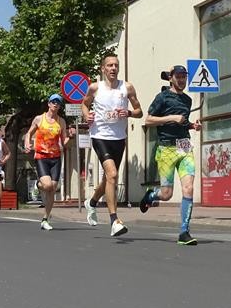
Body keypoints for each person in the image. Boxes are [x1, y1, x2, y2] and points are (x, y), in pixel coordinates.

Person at [139, 64, 203, 245]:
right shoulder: (162, 97)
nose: (182, 80)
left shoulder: (187, 100)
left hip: (184, 146)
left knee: (188, 188)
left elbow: (183, 122)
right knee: (166, 194)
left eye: (184, 77)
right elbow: (148, 120)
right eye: (178, 77)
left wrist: (192, 126)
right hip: (166, 148)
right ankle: (151, 195)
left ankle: (184, 232)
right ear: (171, 78)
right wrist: (172, 117)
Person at [81, 53, 143, 237]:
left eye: (116, 65)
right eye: (109, 65)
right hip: (100, 136)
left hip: (119, 138)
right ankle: (114, 220)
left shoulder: (127, 87)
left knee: (109, 179)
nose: (113, 68)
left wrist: (129, 113)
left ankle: (91, 202)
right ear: (103, 69)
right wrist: (87, 115)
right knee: (113, 175)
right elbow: (84, 104)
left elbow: (139, 111)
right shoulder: (95, 88)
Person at [24, 93, 75, 231]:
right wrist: (27, 143)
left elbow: (64, 143)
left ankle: (45, 219)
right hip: (41, 156)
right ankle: (39, 184)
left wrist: (71, 137)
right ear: (49, 104)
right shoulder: (39, 119)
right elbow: (29, 133)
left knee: (52, 188)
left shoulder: (61, 122)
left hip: (56, 157)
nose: (56, 104)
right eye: (53, 102)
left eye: (58, 103)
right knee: (46, 185)